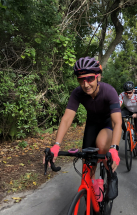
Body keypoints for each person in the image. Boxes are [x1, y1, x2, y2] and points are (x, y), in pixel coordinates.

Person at [44, 56, 122, 201]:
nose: (85, 84)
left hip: (107, 123)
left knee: (102, 143)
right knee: (87, 164)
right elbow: (67, 119)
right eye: (81, 80)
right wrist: (56, 145)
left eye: (90, 79)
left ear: (98, 77)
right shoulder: (77, 93)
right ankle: (91, 194)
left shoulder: (109, 91)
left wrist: (114, 148)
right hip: (91, 124)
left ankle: (111, 175)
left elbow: (117, 122)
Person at [119, 82, 137, 156]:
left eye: (130, 92)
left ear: (133, 90)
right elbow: (118, 105)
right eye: (126, 93)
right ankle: (125, 131)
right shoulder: (122, 94)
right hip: (128, 110)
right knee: (118, 115)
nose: (128, 94)